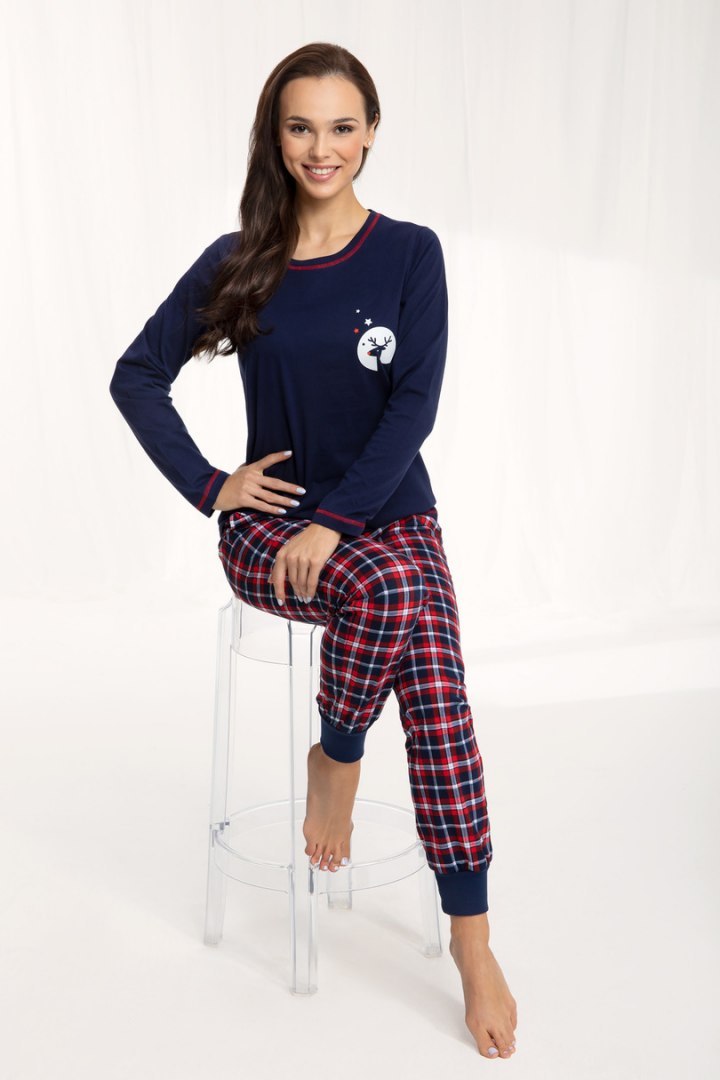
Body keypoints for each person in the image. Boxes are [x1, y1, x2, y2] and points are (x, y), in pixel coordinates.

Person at [109, 41, 518, 1060]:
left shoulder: (411, 253)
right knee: (396, 600)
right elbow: (136, 375)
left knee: (435, 682)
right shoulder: (239, 259)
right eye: (301, 127)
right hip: (274, 527)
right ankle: (343, 764)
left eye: (341, 126)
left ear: (371, 132)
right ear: (276, 135)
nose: (321, 147)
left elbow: (414, 406)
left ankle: (464, 930)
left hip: (388, 520)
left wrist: (344, 519)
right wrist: (213, 484)